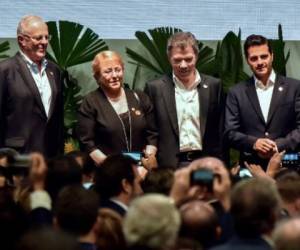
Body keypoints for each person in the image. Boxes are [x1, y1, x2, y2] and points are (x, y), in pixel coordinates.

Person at [145, 32, 225, 168]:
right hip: (170, 165)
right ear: (169, 58)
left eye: (188, 59)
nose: (183, 65)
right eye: (177, 60)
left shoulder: (214, 85)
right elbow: (150, 130)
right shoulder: (155, 88)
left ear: (196, 56)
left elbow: (221, 129)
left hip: (206, 162)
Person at [225, 34, 300, 169]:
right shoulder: (236, 93)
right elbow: (230, 132)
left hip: (289, 165)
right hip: (251, 169)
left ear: (272, 56)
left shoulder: (295, 88)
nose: (259, 62)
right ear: (247, 61)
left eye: (264, 56)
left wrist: (278, 145)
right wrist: (254, 143)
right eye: (254, 58)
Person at [77, 51, 157, 165]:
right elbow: (87, 142)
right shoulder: (91, 103)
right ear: (97, 76)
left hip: (141, 169)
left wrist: (147, 162)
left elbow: (152, 134)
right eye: (108, 72)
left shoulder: (139, 97)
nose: (114, 76)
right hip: (107, 171)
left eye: (117, 70)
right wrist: (109, 166)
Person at [0, 15, 63, 158]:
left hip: (51, 156)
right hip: (17, 157)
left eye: (47, 37)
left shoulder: (55, 71)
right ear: (21, 40)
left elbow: (58, 119)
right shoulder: (5, 70)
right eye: (38, 38)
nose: (44, 42)